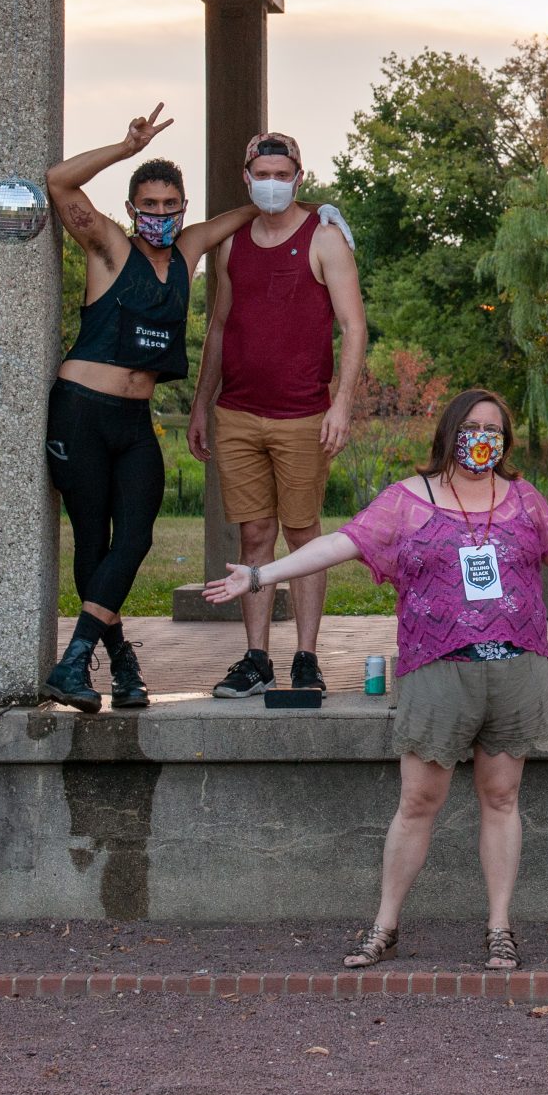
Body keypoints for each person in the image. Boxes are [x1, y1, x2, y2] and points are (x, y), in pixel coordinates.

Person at [202, 388, 548, 972]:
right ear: (450, 433)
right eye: (472, 427)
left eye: (494, 431)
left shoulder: (523, 499)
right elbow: (336, 544)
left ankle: (500, 926)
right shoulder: (407, 501)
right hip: (438, 670)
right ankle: (385, 926)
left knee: (501, 798)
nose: (483, 440)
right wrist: (258, 574)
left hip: (516, 668)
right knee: (418, 801)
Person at [42, 103, 263, 713]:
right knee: (93, 541)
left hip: (134, 423)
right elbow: (59, 182)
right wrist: (126, 146)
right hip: (81, 411)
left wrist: (295, 198)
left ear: (183, 207)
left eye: (171, 205)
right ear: (134, 208)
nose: (161, 216)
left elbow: (247, 214)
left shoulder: (189, 251)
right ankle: (118, 663)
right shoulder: (111, 245)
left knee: (133, 537)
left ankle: (77, 660)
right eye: (151, 206)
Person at [193, 131, 370, 699]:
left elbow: (354, 327)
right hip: (238, 413)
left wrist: (341, 404)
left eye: (281, 173)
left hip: (302, 414)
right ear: (246, 178)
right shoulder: (232, 245)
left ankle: (306, 657)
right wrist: (201, 402)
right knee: (253, 537)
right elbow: (218, 327)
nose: (271, 183)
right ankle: (256, 658)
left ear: (298, 175)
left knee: (302, 534)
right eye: (261, 174)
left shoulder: (325, 239)